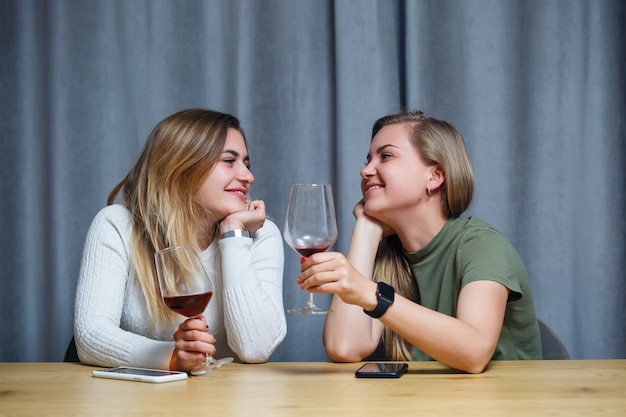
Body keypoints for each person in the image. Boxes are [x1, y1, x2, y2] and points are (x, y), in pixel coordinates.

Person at [297, 110, 542, 374]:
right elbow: (344, 347)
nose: (365, 170)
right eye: (368, 159)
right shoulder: (387, 255)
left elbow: (475, 352)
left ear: (435, 177)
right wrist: (366, 227)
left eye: (386, 156)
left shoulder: (481, 244)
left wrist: (369, 293)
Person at [74, 108, 286, 373]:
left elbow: (255, 349)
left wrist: (233, 234)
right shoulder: (117, 225)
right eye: (229, 161)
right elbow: (90, 336)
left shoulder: (261, 235)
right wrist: (172, 357)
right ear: (182, 166)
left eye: (247, 163)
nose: (248, 176)